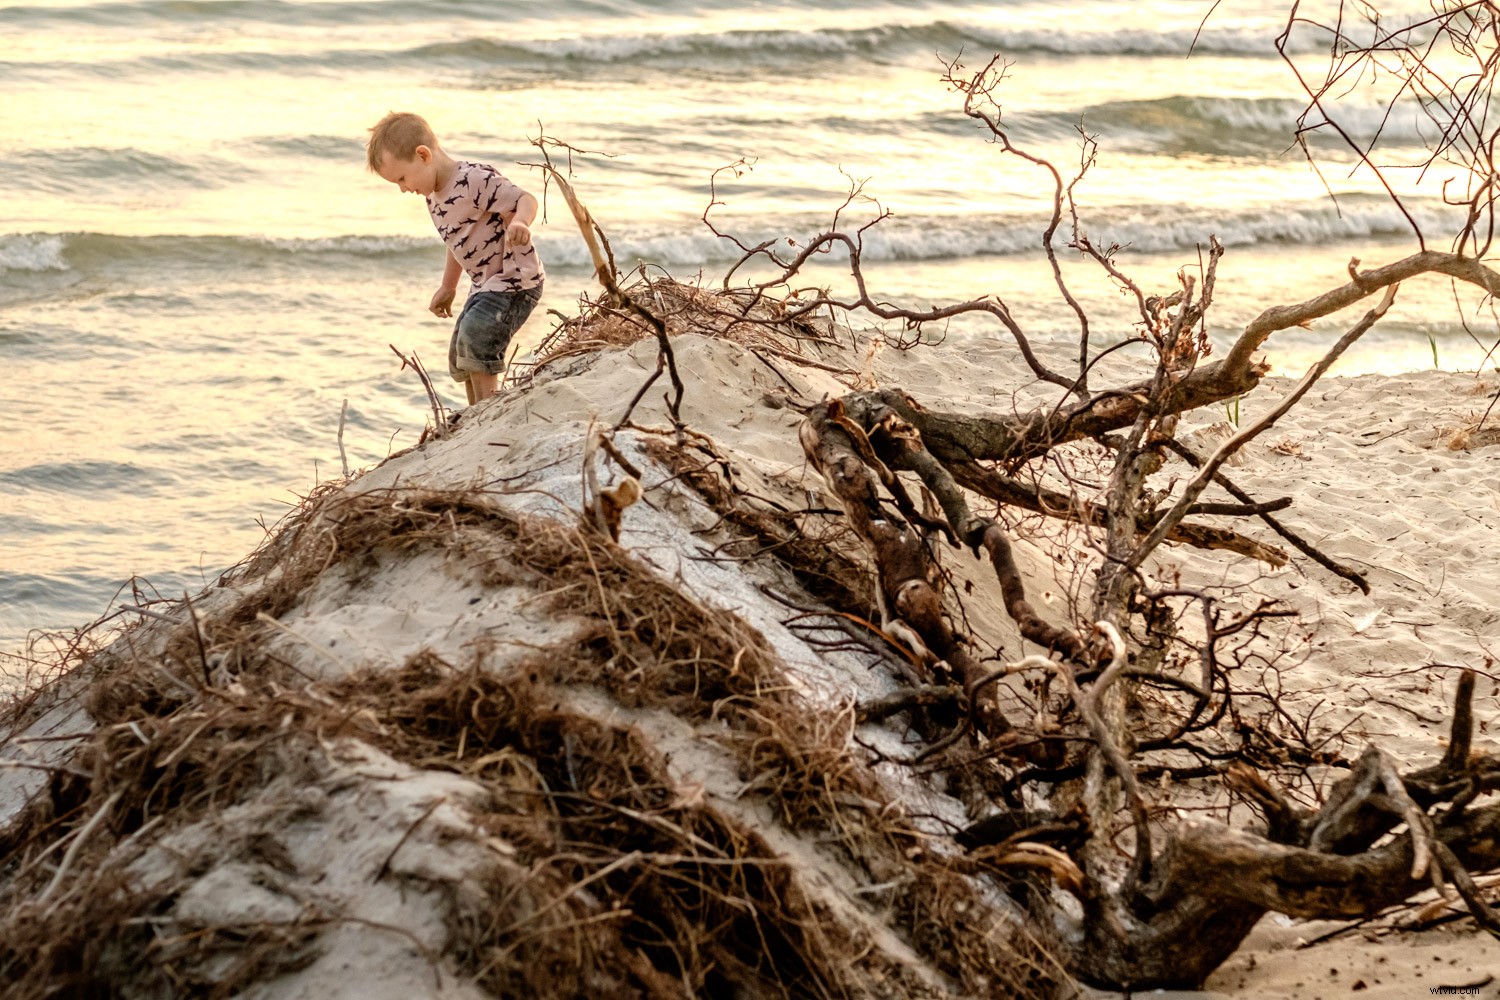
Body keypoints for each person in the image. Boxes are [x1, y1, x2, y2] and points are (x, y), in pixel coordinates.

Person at [366, 111, 544, 405]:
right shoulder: (433, 197)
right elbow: (456, 242)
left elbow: (526, 199)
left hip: (515, 279)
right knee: (461, 349)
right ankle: (478, 410)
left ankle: (487, 410)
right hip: (485, 284)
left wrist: (520, 222)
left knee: (478, 335)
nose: (403, 188)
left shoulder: (473, 179)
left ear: (423, 155)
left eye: (402, 178)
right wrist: (448, 287)